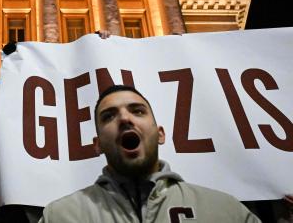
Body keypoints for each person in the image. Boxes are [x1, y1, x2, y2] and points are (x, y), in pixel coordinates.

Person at [40, 85, 260, 222]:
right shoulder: (60, 216)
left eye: (137, 111)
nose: (125, 119)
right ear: (97, 145)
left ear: (160, 134)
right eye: (108, 116)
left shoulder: (225, 210)